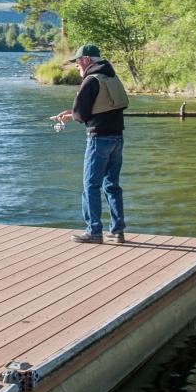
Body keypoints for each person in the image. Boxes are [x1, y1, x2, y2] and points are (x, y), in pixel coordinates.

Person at [53, 44, 129, 244]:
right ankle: (117, 231)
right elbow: (103, 108)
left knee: (90, 186)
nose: (76, 65)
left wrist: (72, 115)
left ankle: (94, 232)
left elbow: (81, 114)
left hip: (98, 139)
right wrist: (72, 115)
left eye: (77, 61)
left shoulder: (90, 80)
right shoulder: (112, 77)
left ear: (86, 60)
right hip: (117, 139)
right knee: (112, 186)